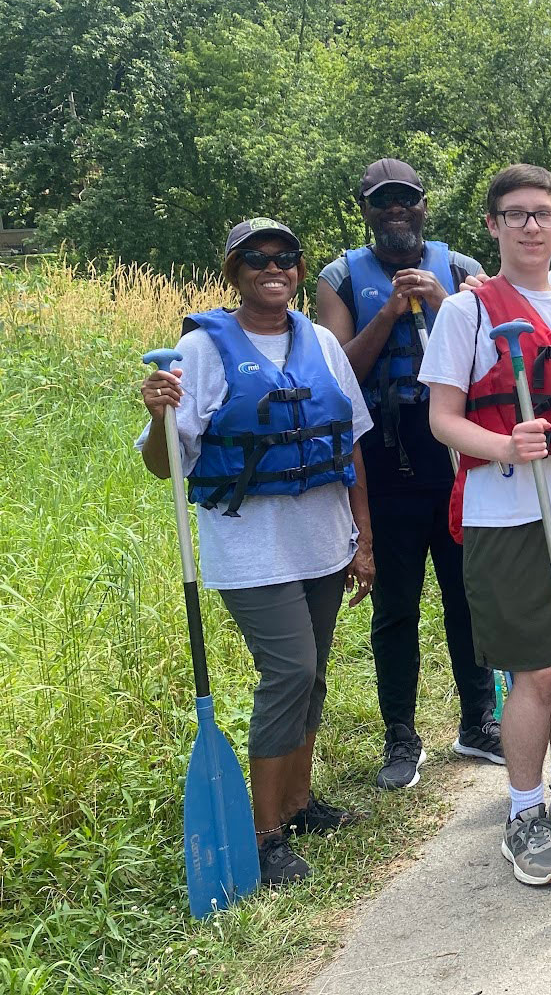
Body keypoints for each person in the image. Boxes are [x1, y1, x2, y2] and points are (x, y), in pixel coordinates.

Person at [138, 217, 375, 887]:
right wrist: (157, 415)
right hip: (250, 550)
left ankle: (298, 804)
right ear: (234, 272)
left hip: (324, 544)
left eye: (286, 257)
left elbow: (350, 442)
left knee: (314, 675)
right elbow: (165, 466)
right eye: (255, 259)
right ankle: (263, 832)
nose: (273, 268)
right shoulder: (204, 350)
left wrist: (366, 540)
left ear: (300, 268)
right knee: (290, 672)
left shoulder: (322, 341)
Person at [419, 165, 551, 888]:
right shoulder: (466, 312)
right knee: (538, 670)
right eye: (515, 215)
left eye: (543, 214)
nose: (531, 227)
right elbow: (442, 417)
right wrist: (505, 445)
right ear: (492, 225)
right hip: (506, 514)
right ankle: (522, 813)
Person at [317, 159, 499, 793]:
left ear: (425, 206)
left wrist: (445, 305)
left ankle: (479, 722)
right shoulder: (339, 279)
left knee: (466, 595)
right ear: (365, 210)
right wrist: (391, 312)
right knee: (394, 608)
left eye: (406, 201)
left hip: (453, 454)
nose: (396, 211)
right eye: (382, 203)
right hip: (386, 461)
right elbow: (338, 375)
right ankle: (401, 735)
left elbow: (493, 360)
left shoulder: (463, 272)